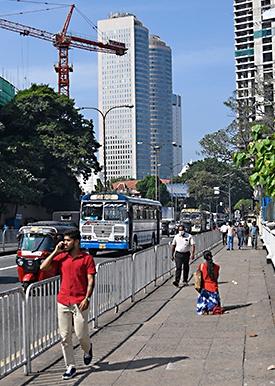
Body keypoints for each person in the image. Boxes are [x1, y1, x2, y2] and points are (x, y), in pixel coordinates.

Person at [40, 228, 96, 380]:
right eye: (64, 240)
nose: (64, 243)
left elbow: (91, 280)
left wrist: (87, 298)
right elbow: (43, 267)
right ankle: (70, 366)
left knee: (81, 334)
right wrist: (55, 252)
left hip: (80, 302)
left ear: (77, 242)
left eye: (68, 240)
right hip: (63, 301)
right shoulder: (62, 257)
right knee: (65, 337)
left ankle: (88, 348)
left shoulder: (87, 259)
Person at [196, 250, 222, 315]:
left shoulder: (201, 266)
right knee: (214, 298)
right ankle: (211, 309)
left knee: (203, 296)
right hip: (213, 288)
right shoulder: (216, 267)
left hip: (204, 287)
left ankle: (204, 309)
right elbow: (216, 278)